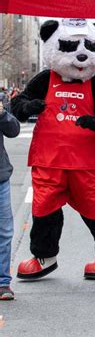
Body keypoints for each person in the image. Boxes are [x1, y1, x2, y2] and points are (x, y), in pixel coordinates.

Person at [0, 99, 20, 299]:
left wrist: (2, 114)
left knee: (4, 233)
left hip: (0, 178)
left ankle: (3, 282)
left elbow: (13, 130)